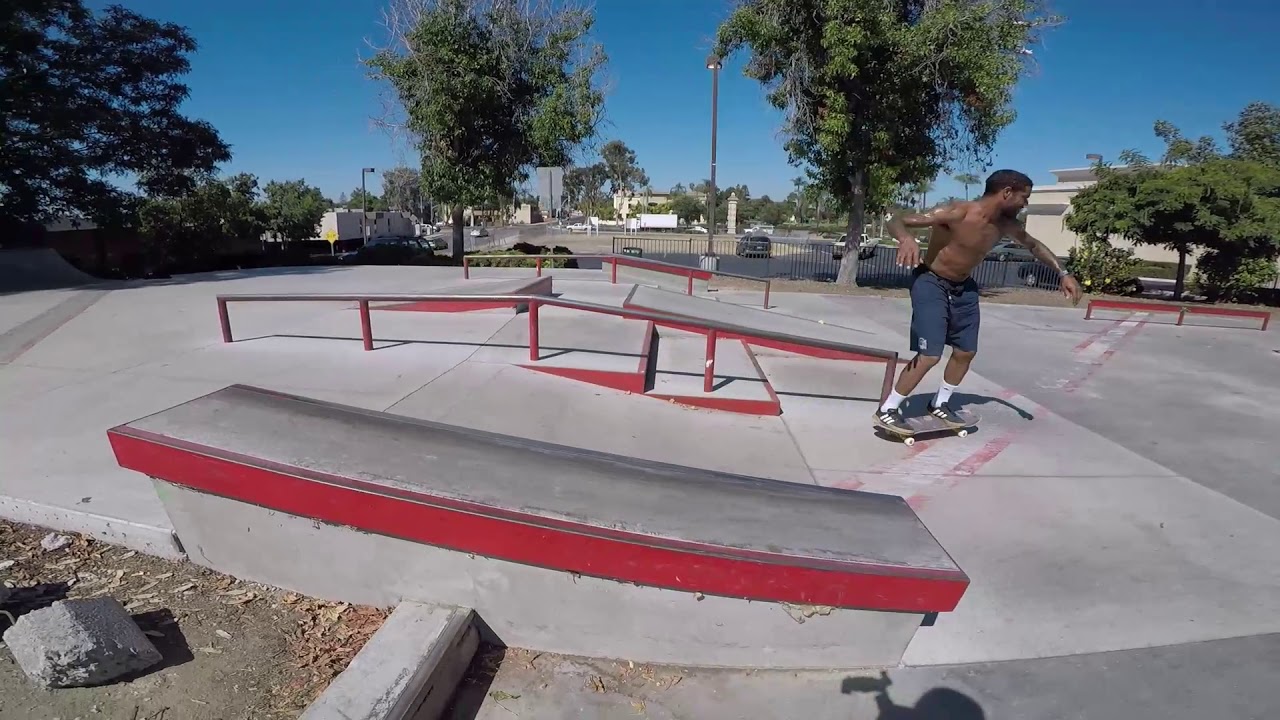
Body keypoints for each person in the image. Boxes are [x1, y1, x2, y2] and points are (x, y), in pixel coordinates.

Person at [874, 169, 1083, 431]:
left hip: (964, 287)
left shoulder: (1006, 225)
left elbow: (1034, 246)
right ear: (1006, 193)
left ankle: (940, 403)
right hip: (931, 281)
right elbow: (896, 218)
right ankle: (888, 409)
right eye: (1024, 198)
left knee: (965, 352)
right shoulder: (956, 212)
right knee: (929, 354)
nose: (1025, 204)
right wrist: (905, 238)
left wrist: (1063, 273)